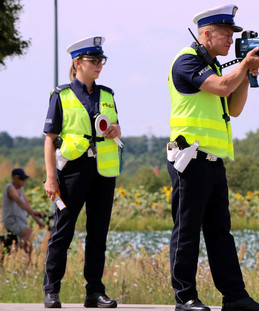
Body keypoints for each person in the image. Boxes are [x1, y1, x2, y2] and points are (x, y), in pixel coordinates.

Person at [166, 4, 259, 311]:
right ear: (207, 34)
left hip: (213, 160)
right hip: (190, 159)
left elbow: (234, 106)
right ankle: (185, 297)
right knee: (186, 231)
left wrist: (248, 73)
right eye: (226, 34)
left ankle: (235, 297)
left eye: (233, 34)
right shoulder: (185, 61)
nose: (231, 40)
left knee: (219, 232)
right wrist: (241, 67)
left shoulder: (213, 66)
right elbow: (224, 86)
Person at [43, 36, 121, 308]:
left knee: (98, 235)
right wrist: (51, 178)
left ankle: (94, 292)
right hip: (72, 172)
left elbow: (116, 128)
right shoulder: (61, 95)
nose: (99, 65)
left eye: (101, 60)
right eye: (94, 60)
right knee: (62, 233)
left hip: (103, 172)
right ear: (77, 63)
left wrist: (115, 130)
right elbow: (50, 139)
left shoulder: (108, 94)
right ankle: (51, 290)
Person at [2, 168, 45, 254]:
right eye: (21, 179)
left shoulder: (21, 190)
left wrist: (37, 220)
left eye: (25, 179)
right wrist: (33, 213)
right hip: (11, 220)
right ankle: (12, 257)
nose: (24, 181)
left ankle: (29, 265)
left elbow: (27, 205)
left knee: (28, 243)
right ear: (14, 178)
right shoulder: (10, 188)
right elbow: (19, 202)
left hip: (20, 220)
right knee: (28, 232)